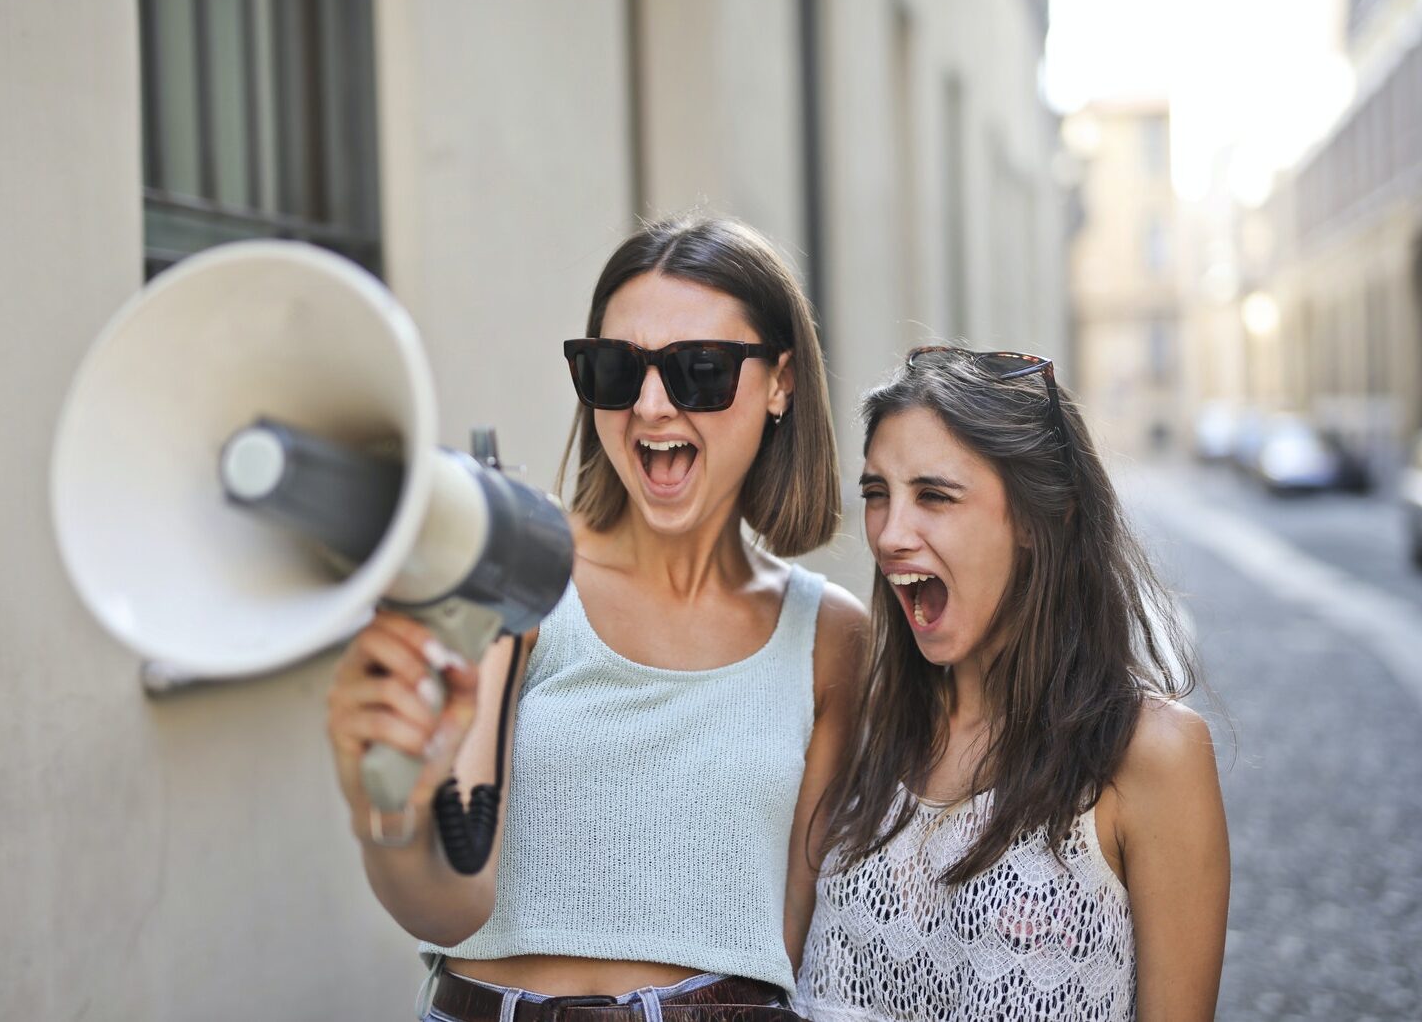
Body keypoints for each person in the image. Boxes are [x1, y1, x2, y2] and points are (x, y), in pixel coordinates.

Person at [325, 215, 866, 1021]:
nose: (650, 406)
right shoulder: (521, 569)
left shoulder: (830, 637)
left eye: (700, 370)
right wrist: (390, 810)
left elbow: (790, 943)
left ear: (780, 381)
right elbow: (449, 904)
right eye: (615, 369)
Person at [795, 347, 1229, 1022]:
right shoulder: (862, 723)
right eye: (877, 494)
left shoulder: (1150, 755)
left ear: (1037, 518)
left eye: (934, 495)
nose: (890, 534)